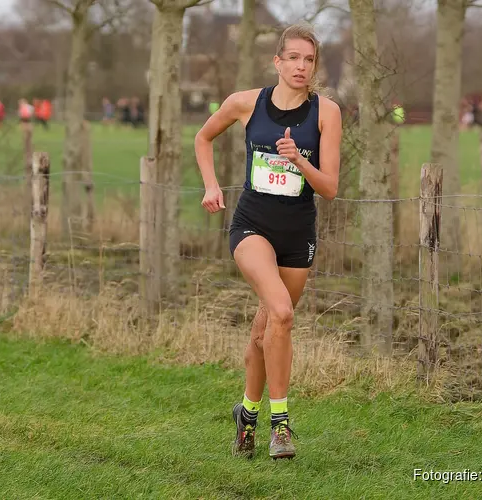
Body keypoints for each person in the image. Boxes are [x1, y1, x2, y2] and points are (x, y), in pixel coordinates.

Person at [194, 22, 342, 460]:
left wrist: (299, 161)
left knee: (267, 329)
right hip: (251, 227)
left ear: (315, 66)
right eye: (293, 57)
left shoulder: (326, 113)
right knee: (280, 312)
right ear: (277, 62)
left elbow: (330, 188)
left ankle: (247, 412)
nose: (301, 66)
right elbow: (202, 138)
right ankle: (281, 424)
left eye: (309, 59)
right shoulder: (245, 103)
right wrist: (210, 185)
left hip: (298, 235)